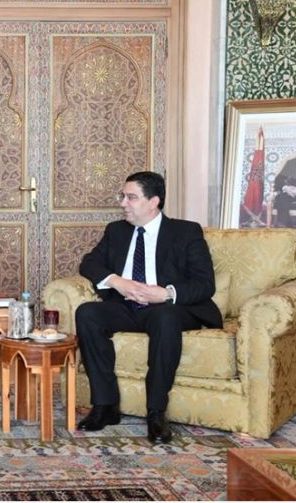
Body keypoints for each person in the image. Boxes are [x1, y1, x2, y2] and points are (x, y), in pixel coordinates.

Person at [74, 171, 222, 444]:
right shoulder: (116, 231)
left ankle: (156, 412)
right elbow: (89, 263)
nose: (123, 203)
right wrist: (118, 282)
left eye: (131, 197)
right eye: (123, 196)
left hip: (169, 308)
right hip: (127, 306)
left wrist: (165, 293)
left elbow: (205, 284)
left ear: (154, 201)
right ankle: (105, 406)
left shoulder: (186, 231)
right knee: (88, 313)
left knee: (164, 317)